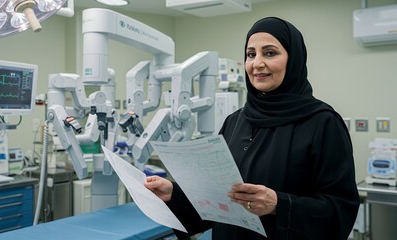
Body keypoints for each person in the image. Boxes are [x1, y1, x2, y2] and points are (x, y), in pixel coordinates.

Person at [144, 16, 360, 240]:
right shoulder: (235, 121)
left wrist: (279, 204)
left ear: (293, 59)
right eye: (250, 54)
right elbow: (218, 199)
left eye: (270, 53)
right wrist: (174, 194)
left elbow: (340, 208)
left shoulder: (322, 123)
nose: (257, 63)